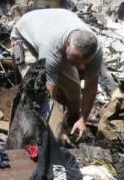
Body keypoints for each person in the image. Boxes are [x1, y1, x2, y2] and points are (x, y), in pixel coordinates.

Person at [10, 8, 102, 145]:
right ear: (67, 44)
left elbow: (90, 89)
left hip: (54, 36)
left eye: (80, 64)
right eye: (73, 61)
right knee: (35, 90)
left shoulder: (96, 51)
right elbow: (48, 94)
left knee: (74, 94)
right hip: (25, 37)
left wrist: (83, 119)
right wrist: (56, 129)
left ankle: (73, 126)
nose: (77, 66)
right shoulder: (51, 48)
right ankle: (38, 131)